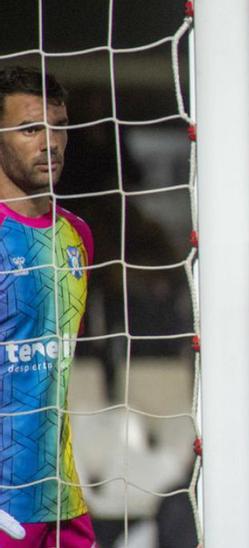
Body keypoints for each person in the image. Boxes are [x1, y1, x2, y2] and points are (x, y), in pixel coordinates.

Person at [0, 66, 96, 547]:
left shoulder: (77, 235)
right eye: (30, 128)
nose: (50, 142)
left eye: (58, 127)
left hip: (62, 498)